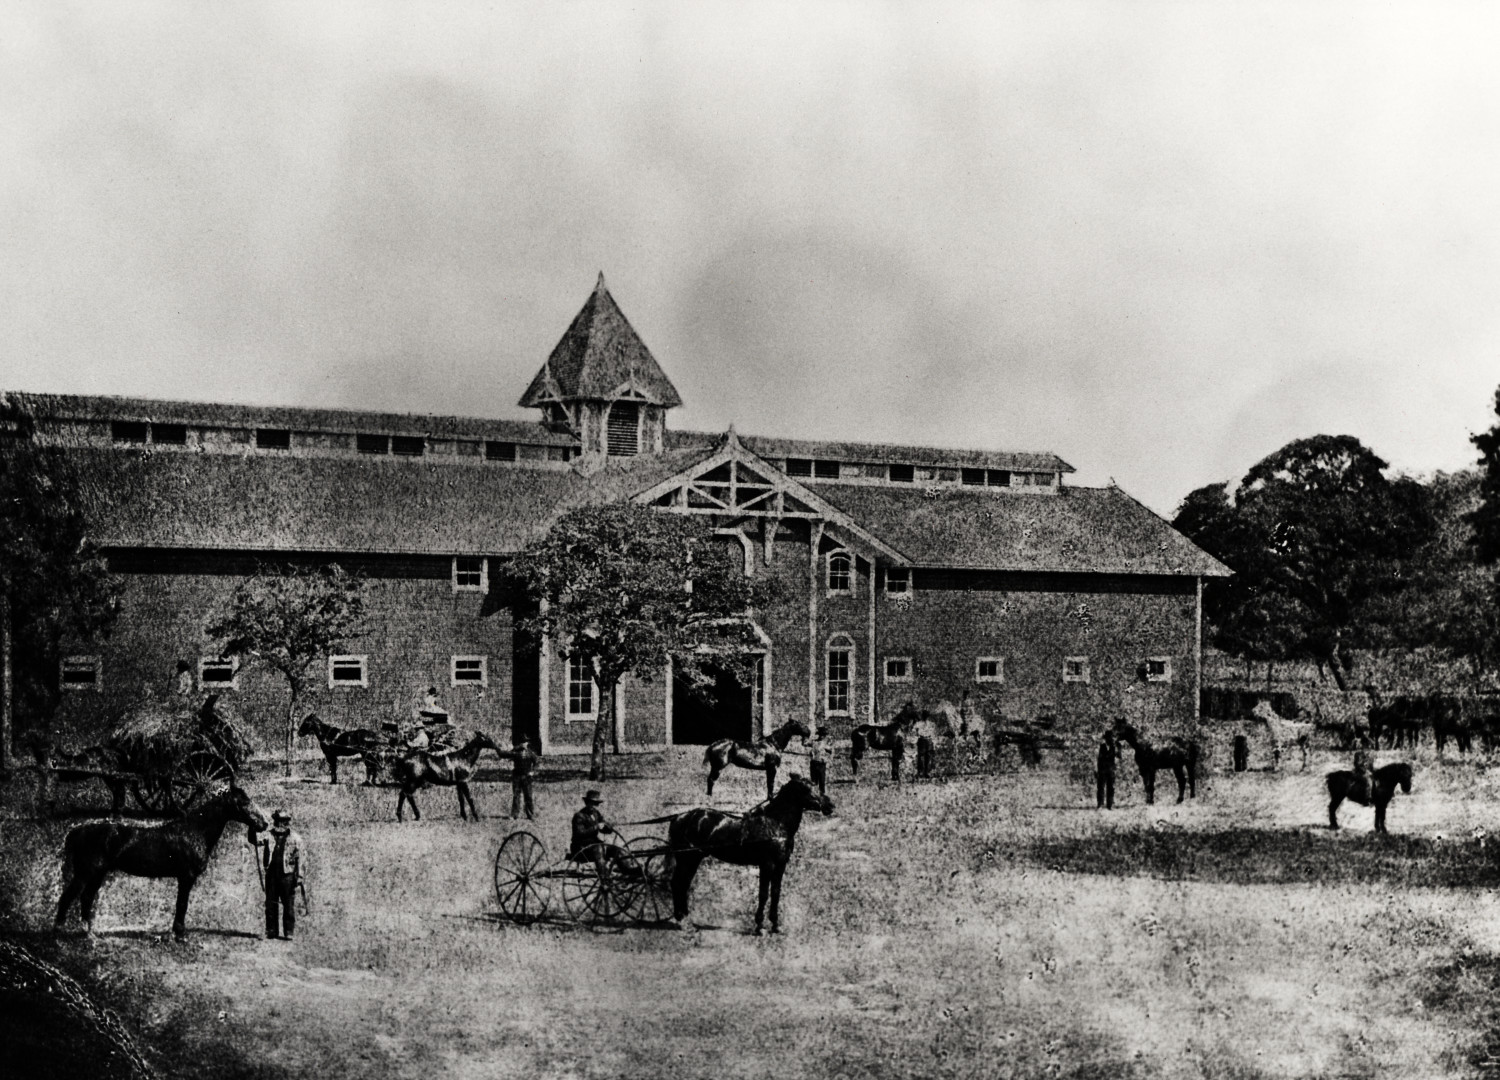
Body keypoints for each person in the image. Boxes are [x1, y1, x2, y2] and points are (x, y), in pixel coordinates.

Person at [257, 809, 304, 941]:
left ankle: (289, 931)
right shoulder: (268, 836)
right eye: (278, 821)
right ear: (275, 821)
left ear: (287, 822)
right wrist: (252, 828)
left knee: (288, 904)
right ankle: (271, 930)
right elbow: (255, 840)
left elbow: (301, 859)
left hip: (287, 875)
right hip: (271, 875)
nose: (280, 824)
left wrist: (299, 876)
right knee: (270, 903)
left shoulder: (295, 838)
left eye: (283, 821)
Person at [570, 790, 621, 880]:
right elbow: (579, 833)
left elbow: (604, 827)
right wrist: (596, 827)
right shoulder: (579, 816)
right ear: (587, 803)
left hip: (594, 845)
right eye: (592, 803)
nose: (594, 806)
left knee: (616, 850)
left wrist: (608, 827)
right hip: (581, 847)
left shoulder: (596, 814)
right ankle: (604, 878)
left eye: (596, 804)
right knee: (599, 849)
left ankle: (629, 871)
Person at [507, 737, 540, 820]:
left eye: (525, 742)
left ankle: (530, 815)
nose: (524, 744)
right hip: (517, 777)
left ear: (527, 743)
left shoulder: (530, 753)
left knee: (528, 796)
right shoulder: (515, 752)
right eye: (522, 742)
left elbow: (536, 762)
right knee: (516, 796)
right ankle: (514, 815)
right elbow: (508, 757)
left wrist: (533, 771)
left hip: (527, 777)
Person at [1096, 728, 1118, 810]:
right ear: (1106, 738)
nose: (1110, 739)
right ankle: (1100, 804)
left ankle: (1110, 804)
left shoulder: (1114, 747)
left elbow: (1118, 758)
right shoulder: (1102, 747)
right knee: (1101, 787)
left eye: (1111, 738)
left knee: (1111, 788)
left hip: (1111, 770)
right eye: (1109, 738)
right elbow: (1098, 759)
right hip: (1102, 770)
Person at [808, 727, 830, 797]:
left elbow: (830, 753)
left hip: (821, 764)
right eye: (821, 735)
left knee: (822, 781)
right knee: (813, 781)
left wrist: (827, 759)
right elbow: (810, 750)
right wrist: (811, 753)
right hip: (814, 763)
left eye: (823, 735)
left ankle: (822, 796)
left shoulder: (826, 744)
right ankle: (813, 796)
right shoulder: (814, 742)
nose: (822, 736)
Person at [914, 711, 937, 779]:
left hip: (925, 740)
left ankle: (923, 773)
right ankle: (923, 773)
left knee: (924, 757)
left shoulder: (921, 723)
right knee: (924, 757)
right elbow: (933, 733)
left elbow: (933, 733)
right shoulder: (920, 724)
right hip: (925, 740)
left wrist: (917, 735)